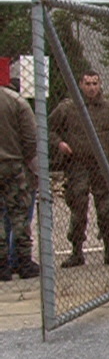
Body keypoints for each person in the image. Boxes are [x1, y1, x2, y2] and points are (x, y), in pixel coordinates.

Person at [48, 71, 109, 268]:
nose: (91, 88)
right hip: (77, 164)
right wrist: (60, 143)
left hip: (102, 166)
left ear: (100, 85)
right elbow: (49, 128)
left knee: (106, 209)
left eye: (95, 83)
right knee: (78, 208)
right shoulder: (68, 108)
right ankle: (76, 251)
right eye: (87, 83)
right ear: (80, 84)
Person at [0, 84, 39, 281]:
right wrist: (24, 157)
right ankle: (23, 261)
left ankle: (1, 264)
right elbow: (31, 137)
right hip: (13, 165)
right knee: (20, 215)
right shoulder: (16, 101)